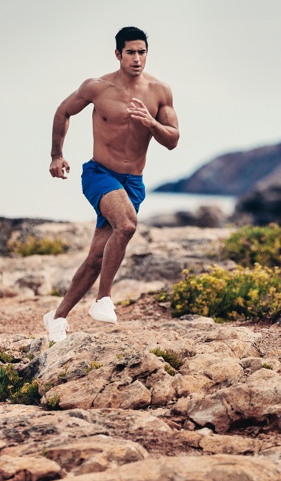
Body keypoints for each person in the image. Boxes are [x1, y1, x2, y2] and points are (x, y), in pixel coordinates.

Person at [44, 26, 179, 342]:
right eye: (130, 52)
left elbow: (172, 139)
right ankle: (103, 298)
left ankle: (56, 317)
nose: (137, 59)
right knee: (127, 225)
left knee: (96, 258)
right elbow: (64, 111)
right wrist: (56, 154)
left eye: (142, 52)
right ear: (118, 54)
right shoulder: (97, 87)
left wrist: (151, 123)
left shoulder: (160, 91)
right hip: (99, 174)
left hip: (133, 183)